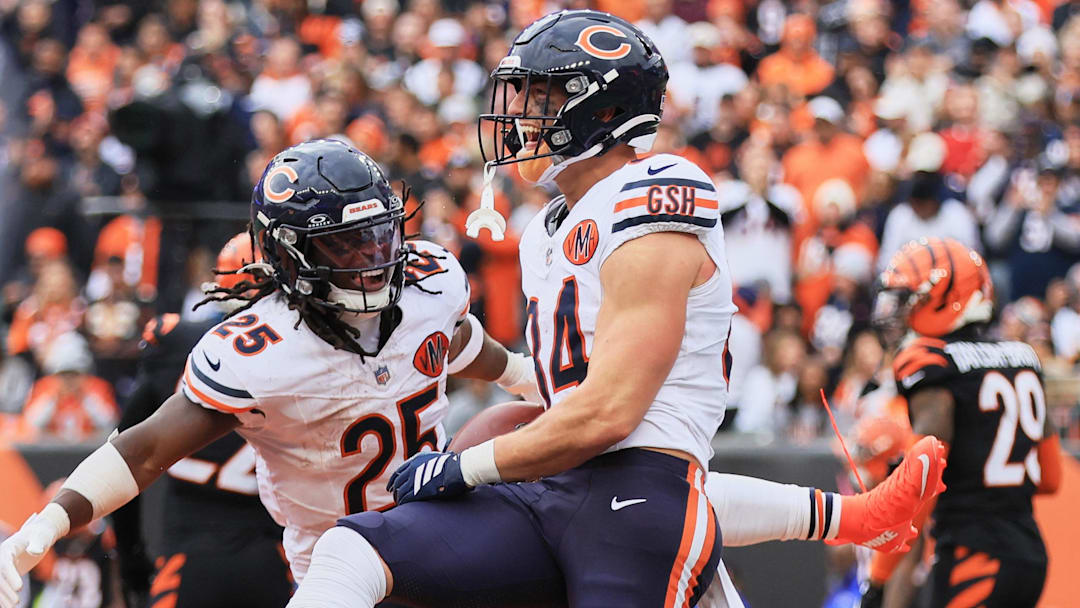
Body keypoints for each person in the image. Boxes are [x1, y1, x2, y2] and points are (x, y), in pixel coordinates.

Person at [287, 11, 945, 608]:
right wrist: (501, 369)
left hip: (638, 494)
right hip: (555, 482)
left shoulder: (655, 192)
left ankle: (857, 518)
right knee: (352, 550)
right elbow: (573, 384)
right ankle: (856, 517)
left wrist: (466, 465)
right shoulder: (547, 229)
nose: (521, 118)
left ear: (601, 110)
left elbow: (611, 415)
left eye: (542, 99)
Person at [0, 139, 539, 607]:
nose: (373, 258)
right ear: (288, 253)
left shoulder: (430, 282)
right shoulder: (263, 351)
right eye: (345, 244)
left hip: (435, 533)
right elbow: (143, 451)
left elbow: (452, 341)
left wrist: (523, 375)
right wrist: (47, 522)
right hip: (336, 566)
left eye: (379, 234)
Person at [866, 237, 1064, 607]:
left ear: (945, 299)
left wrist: (877, 580)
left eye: (910, 300)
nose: (900, 313)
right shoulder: (1022, 357)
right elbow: (1051, 478)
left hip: (974, 555)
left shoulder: (930, 362)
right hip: (1030, 556)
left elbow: (917, 490)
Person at [110, 233, 291, 608]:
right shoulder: (304, 354)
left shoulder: (176, 344)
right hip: (273, 557)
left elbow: (121, 459)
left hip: (187, 554)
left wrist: (131, 558)